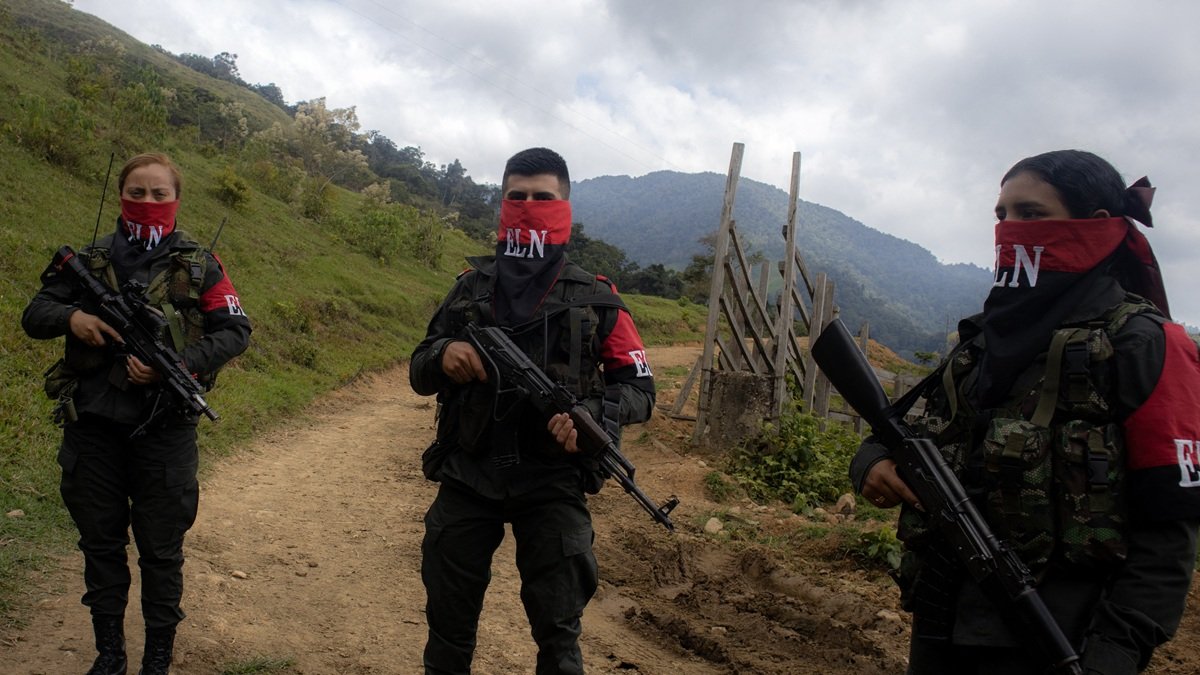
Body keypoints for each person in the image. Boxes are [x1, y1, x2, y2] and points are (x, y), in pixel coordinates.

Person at [850, 149, 1200, 674]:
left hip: (1060, 634)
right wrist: (872, 462)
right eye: (1001, 215)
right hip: (942, 614)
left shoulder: (1147, 344)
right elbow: (908, 431)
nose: (1010, 230)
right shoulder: (985, 336)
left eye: (1031, 214)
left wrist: (1117, 651)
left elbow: (1170, 533)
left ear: (1096, 226)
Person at [409, 147, 656, 674]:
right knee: (448, 634)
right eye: (516, 197)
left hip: (552, 483)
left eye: (542, 198)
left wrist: (593, 414)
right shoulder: (469, 288)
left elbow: (640, 389)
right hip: (468, 474)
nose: (528, 206)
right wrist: (444, 355)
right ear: (502, 204)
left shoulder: (597, 299)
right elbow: (418, 367)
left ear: (564, 206)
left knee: (559, 640)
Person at [22, 152, 251, 675]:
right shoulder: (91, 258)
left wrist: (180, 364)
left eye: (159, 194)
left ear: (176, 198)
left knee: (160, 549)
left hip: (164, 430)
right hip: (94, 426)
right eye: (138, 193)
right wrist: (74, 316)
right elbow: (34, 314)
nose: (148, 203)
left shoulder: (199, 263)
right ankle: (109, 654)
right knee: (100, 543)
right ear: (122, 194)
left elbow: (235, 331)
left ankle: (157, 657)